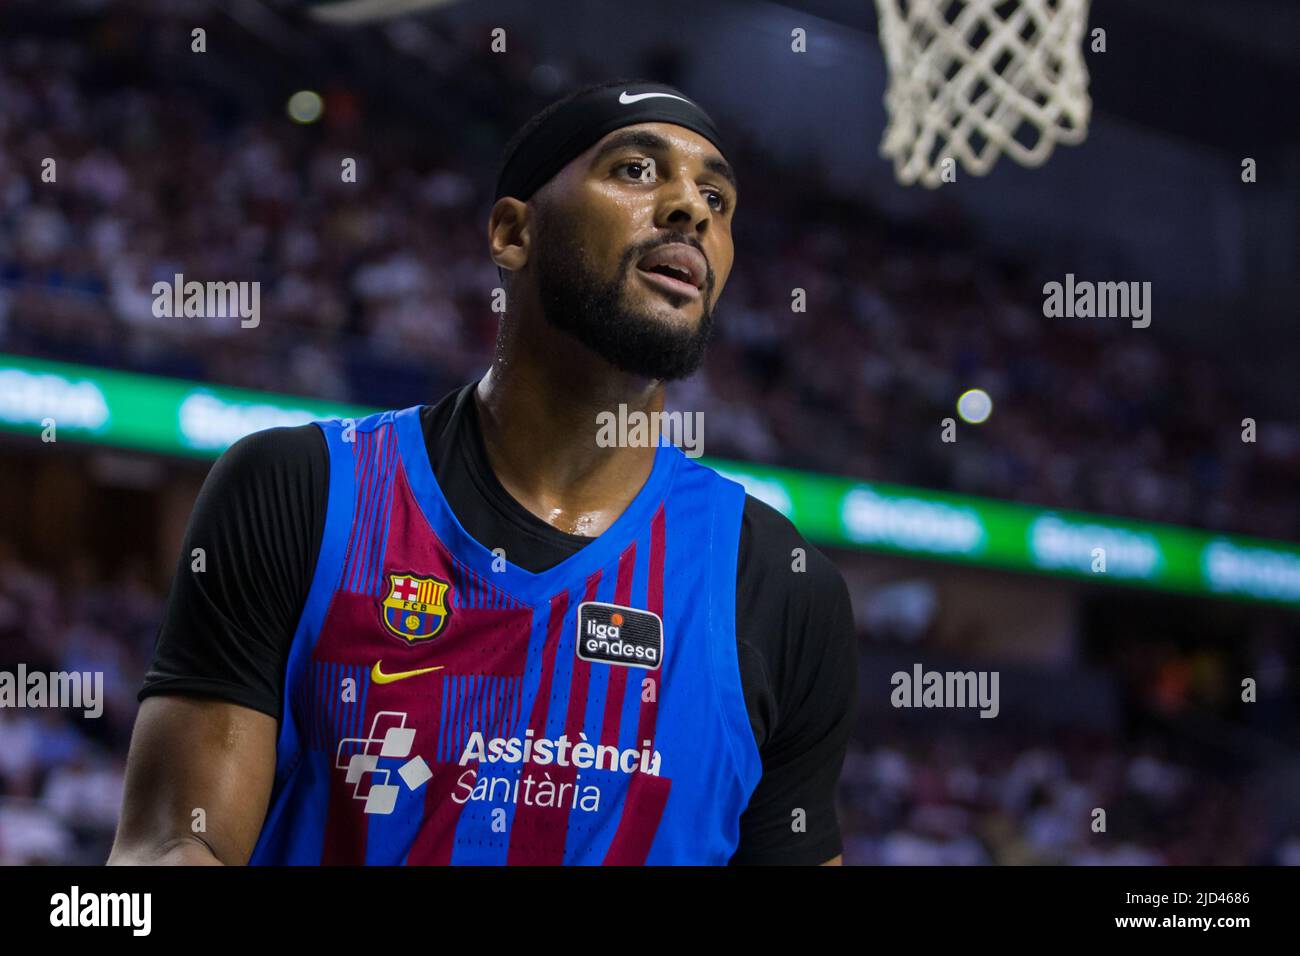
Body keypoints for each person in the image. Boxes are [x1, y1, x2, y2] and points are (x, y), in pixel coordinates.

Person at [109, 79, 856, 865]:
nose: (690, 209)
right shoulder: (299, 489)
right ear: (511, 232)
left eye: (717, 197)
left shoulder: (780, 585)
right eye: (637, 170)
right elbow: (169, 851)